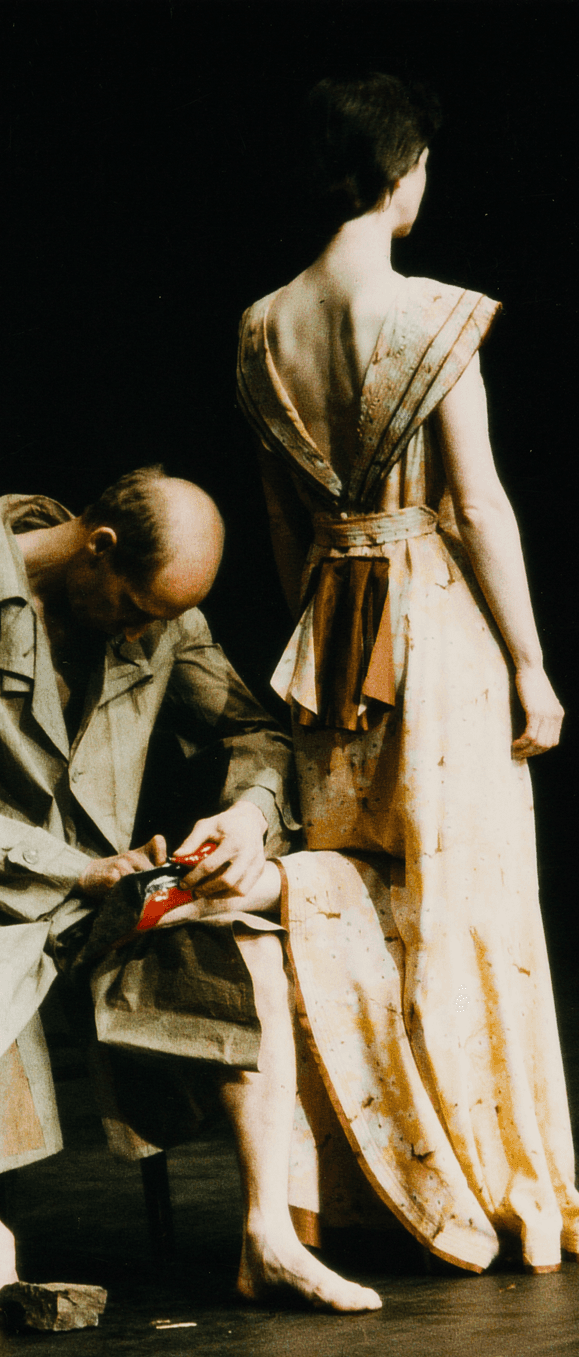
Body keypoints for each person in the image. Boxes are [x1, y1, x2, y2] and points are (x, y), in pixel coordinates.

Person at [0, 467, 382, 1331]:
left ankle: (266, 1237)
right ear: (99, 548)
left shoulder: (158, 614)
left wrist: (246, 814)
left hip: (102, 888)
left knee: (246, 939)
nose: (143, 633)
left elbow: (252, 730)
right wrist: (72, 868)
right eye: (133, 609)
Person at [236, 74, 579, 1273]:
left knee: (363, 902)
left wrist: (325, 624)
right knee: (463, 904)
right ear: (396, 175)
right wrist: (530, 665)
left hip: (329, 646)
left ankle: (392, 1187)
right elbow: (477, 506)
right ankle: (495, 1186)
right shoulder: (429, 314)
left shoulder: (261, 326)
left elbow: (285, 529)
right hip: (432, 637)